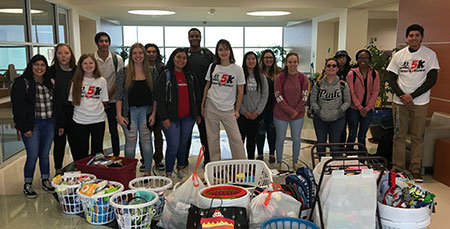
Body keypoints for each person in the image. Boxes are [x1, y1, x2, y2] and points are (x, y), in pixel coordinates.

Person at [386, 24, 439, 182]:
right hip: (399, 102)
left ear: (422, 37)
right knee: (399, 135)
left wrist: (413, 96)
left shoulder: (429, 55)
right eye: (411, 35)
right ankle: (398, 167)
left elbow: (431, 80)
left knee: (417, 136)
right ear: (407, 38)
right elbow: (390, 77)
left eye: (417, 35)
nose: (414, 38)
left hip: (420, 102)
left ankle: (415, 169)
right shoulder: (399, 55)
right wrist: (402, 95)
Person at [11, 54, 62, 198]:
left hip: (48, 123)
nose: (39, 68)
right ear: (31, 66)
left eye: (42, 65)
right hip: (33, 125)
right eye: (36, 64)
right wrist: (24, 127)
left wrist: (59, 123)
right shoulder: (22, 83)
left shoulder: (49, 82)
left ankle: (45, 180)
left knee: (45, 155)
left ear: (46, 68)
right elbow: (18, 108)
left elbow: (55, 105)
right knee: (32, 155)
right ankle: (28, 184)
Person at [155, 48, 202, 178]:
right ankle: (168, 172)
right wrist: (164, 117)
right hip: (171, 118)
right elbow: (159, 98)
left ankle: (180, 167)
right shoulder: (166, 75)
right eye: (178, 57)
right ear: (173, 58)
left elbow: (196, 96)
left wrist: (197, 114)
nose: (181, 60)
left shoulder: (190, 76)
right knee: (173, 145)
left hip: (188, 118)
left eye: (184, 58)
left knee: (183, 144)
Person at [201, 39, 246, 161]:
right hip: (211, 105)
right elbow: (207, 86)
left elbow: (240, 92)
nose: (223, 52)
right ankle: (216, 166)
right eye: (220, 49)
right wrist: (202, 106)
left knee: (236, 138)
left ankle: (242, 165)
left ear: (230, 51)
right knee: (212, 138)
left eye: (226, 49)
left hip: (228, 109)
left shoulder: (237, 69)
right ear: (217, 52)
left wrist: (237, 110)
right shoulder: (213, 66)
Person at [115, 43, 156, 176]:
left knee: (147, 142)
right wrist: (119, 115)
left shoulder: (152, 72)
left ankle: (148, 171)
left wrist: (154, 113)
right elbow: (119, 95)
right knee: (130, 143)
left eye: (140, 53)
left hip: (146, 112)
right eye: (134, 53)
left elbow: (156, 96)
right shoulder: (124, 72)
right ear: (131, 55)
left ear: (144, 55)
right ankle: (129, 172)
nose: (137, 56)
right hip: (129, 113)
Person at [69, 54, 109, 160]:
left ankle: (95, 172)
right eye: (85, 63)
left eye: (91, 63)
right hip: (80, 120)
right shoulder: (75, 81)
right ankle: (83, 173)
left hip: (98, 120)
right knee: (81, 150)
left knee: (97, 151)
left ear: (95, 64)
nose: (88, 65)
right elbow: (72, 101)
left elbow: (104, 100)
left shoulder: (101, 81)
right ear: (80, 65)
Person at [273, 53, 309, 168]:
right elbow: (278, 96)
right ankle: (279, 161)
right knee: (280, 138)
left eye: (294, 62)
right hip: (281, 114)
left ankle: (295, 161)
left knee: (296, 139)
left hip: (298, 115)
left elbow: (304, 96)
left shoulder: (303, 78)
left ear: (298, 62)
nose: (292, 64)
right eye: (290, 62)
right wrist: (290, 111)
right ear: (286, 63)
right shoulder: (280, 78)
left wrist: (296, 111)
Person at [185, 28, 214, 166]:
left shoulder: (208, 54)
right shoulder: (184, 54)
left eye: (196, 36)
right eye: (192, 36)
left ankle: (208, 159)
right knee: (185, 133)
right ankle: (182, 160)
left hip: (204, 99)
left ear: (200, 37)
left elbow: (217, 71)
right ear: (188, 38)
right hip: (187, 98)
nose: (194, 38)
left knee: (205, 133)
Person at [310, 58, 351, 153]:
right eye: (328, 65)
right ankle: (321, 165)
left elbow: (347, 101)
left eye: (334, 66)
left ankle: (334, 166)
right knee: (321, 145)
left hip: (337, 120)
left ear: (337, 69)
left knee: (335, 146)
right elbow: (312, 101)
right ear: (325, 68)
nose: (331, 68)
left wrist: (339, 111)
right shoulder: (318, 84)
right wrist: (319, 111)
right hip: (320, 119)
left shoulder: (343, 85)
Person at [49, 44, 77, 175]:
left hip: (75, 111)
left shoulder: (77, 71)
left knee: (76, 141)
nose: (63, 56)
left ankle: (79, 166)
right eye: (60, 53)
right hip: (57, 112)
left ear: (71, 54)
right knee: (59, 142)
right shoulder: (51, 72)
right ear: (56, 55)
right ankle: (58, 168)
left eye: (66, 53)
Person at [93, 32, 123, 156]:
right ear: (97, 43)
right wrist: (101, 98)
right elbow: (90, 79)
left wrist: (107, 97)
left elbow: (119, 79)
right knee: (97, 131)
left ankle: (116, 156)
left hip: (112, 100)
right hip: (96, 101)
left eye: (106, 41)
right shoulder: (91, 59)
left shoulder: (117, 59)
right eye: (101, 41)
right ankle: (97, 156)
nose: (104, 43)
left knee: (113, 131)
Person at [346, 49, 380, 151]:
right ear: (357, 59)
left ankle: (361, 159)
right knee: (352, 134)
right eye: (360, 58)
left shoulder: (374, 74)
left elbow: (375, 92)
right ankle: (348, 156)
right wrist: (360, 107)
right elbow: (351, 92)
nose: (363, 60)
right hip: (354, 109)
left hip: (368, 110)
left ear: (369, 59)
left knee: (362, 135)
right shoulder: (352, 74)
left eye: (365, 57)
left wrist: (367, 107)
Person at [238, 52, 268, 159]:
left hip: (255, 115)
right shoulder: (240, 75)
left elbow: (264, 96)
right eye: (248, 59)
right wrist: (243, 111)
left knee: (252, 140)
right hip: (242, 115)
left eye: (253, 59)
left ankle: (250, 161)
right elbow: (237, 95)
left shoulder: (261, 77)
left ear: (256, 61)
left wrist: (257, 112)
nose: (251, 61)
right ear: (245, 61)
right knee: (240, 139)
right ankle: (240, 161)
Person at [143, 43, 165, 171]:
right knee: (144, 136)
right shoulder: (140, 67)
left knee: (158, 135)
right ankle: (145, 160)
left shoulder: (162, 68)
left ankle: (158, 159)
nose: (151, 54)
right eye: (148, 52)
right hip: (144, 105)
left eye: (153, 52)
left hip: (159, 105)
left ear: (157, 54)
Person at [256, 49, 280, 163]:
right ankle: (260, 153)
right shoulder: (258, 72)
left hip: (273, 106)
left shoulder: (279, 73)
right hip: (260, 106)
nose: (268, 60)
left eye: (271, 58)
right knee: (260, 131)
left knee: (272, 131)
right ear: (262, 59)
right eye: (266, 57)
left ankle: (272, 153)